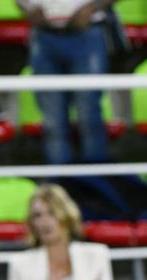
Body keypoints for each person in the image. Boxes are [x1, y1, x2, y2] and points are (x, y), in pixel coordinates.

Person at [16, 0, 112, 166]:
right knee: (52, 119)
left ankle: (96, 186)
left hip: (86, 31)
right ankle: (59, 185)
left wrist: (93, 7)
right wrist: (28, 8)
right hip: (44, 32)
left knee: (89, 114)